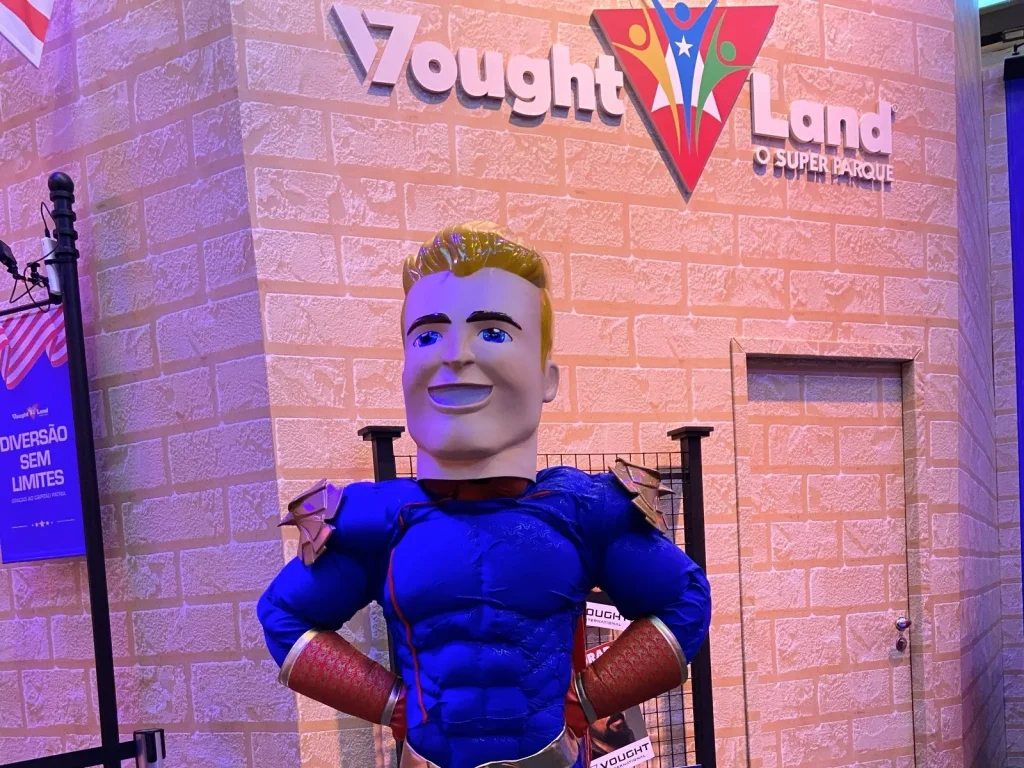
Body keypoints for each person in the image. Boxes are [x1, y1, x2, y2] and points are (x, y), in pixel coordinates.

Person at [257, 223, 712, 768]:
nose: (455, 355)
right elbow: (283, 615)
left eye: (492, 332)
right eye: (427, 336)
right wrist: (391, 705)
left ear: (548, 378)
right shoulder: (381, 519)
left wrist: (590, 698)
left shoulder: (583, 509)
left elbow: (685, 601)